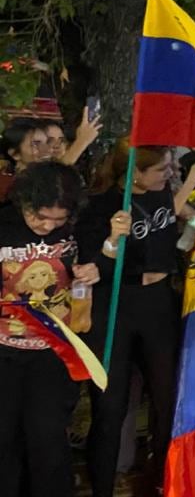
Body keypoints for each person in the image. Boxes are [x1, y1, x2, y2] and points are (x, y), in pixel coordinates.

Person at [80, 141, 195, 496]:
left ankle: (162, 479)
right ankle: (102, 483)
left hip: (158, 301)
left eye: (171, 167)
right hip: (117, 301)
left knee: (166, 396)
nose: (169, 174)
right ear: (134, 175)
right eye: (161, 169)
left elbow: (190, 221)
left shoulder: (164, 193)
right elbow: (95, 262)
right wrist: (112, 237)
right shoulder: (102, 204)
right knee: (111, 404)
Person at [0, 162, 105, 497]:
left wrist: (94, 270)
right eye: (39, 217)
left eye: (58, 221)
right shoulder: (3, 223)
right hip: (4, 350)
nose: (47, 226)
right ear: (24, 203)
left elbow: (98, 261)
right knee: (4, 438)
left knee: (48, 439)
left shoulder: (79, 227)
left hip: (55, 352)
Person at [0, 118, 52, 202]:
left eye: (47, 143)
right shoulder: (5, 185)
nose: (47, 150)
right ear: (15, 154)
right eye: (35, 144)